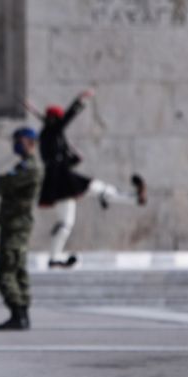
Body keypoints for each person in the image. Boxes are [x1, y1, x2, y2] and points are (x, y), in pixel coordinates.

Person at [30, 89, 147, 268]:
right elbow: (65, 121)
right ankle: (134, 199)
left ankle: (54, 258)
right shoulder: (51, 132)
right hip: (61, 179)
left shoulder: (52, 134)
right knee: (92, 194)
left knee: (67, 221)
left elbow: (63, 157)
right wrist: (79, 102)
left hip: (60, 178)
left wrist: (74, 158)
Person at [0, 127, 42, 331]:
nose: (15, 144)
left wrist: (3, 181)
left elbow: (4, 184)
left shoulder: (30, 168)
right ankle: (21, 315)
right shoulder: (22, 166)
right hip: (13, 225)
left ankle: (18, 312)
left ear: (29, 142)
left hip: (17, 226)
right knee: (17, 270)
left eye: (18, 140)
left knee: (5, 271)